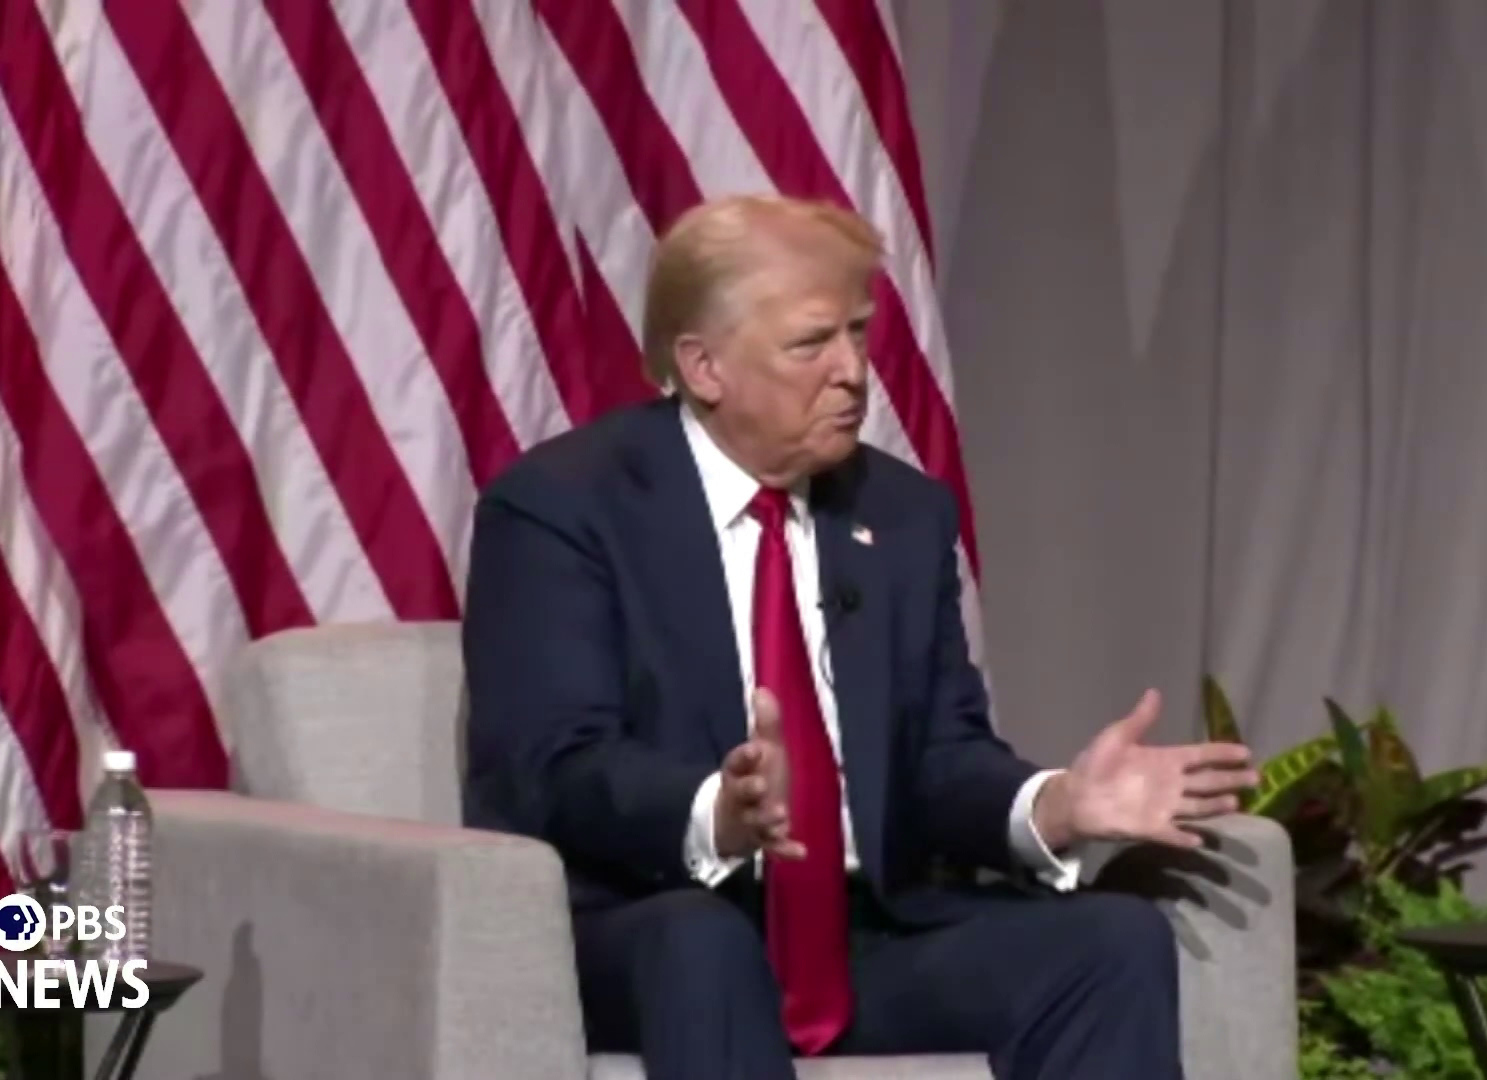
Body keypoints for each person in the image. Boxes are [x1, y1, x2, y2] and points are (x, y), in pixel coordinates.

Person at [461, 193, 1258, 1079]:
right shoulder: (565, 507)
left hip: (858, 935)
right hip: (648, 925)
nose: (852, 372)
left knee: (1109, 942)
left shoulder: (901, 515)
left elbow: (940, 758)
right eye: (811, 344)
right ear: (704, 366)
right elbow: (553, 766)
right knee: (702, 945)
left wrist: (1053, 805)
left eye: (858, 333)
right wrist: (714, 813)